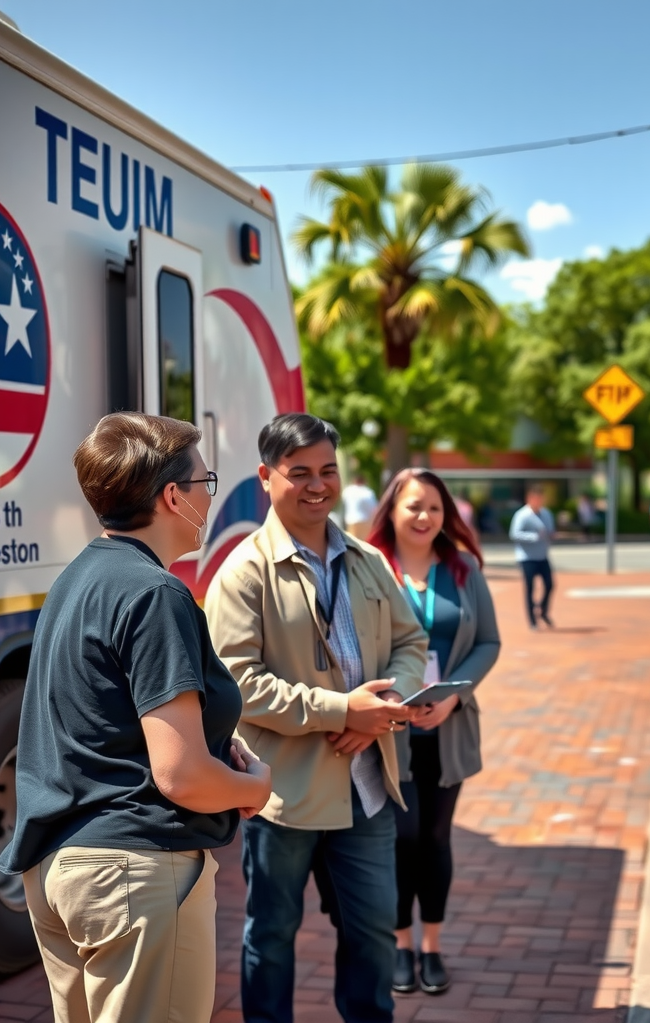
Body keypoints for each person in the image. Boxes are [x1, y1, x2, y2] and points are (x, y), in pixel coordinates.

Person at [0, 413, 271, 1023]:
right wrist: (254, 787)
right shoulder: (156, 594)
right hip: (135, 874)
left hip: (60, 870)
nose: (209, 493)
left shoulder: (77, 577)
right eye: (206, 482)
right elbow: (182, 776)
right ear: (173, 497)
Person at [204, 413, 428, 1023]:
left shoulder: (367, 559)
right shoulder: (243, 572)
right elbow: (236, 684)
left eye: (327, 470)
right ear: (265, 478)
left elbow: (411, 643)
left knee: (374, 934)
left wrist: (381, 710)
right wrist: (340, 709)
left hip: (368, 787)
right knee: (272, 935)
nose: (316, 485)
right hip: (285, 794)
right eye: (298, 472)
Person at [366, 469, 500, 996]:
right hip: (389, 729)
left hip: (448, 729)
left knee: (437, 838)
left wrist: (452, 696)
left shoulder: (463, 568)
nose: (424, 517)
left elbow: (488, 642)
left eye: (435, 509)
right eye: (414, 506)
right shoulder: (370, 567)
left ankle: (432, 946)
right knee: (402, 838)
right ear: (391, 511)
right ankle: (401, 943)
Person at [509, 484, 556, 629]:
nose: (538, 501)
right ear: (529, 499)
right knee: (530, 587)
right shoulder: (522, 515)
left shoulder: (546, 514)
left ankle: (543, 610)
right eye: (536, 498)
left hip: (542, 555)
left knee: (549, 584)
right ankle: (532, 621)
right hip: (527, 557)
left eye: (541, 499)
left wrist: (551, 535)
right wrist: (533, 537)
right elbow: (514, 534)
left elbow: (550, 530)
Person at [341, 472, 379, 540]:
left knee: (352, 541)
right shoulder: (368, 492)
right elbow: (374, 508)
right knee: (365, 542)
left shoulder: (348, 491)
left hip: (351, 520)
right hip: (365, 520)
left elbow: (343, 502)